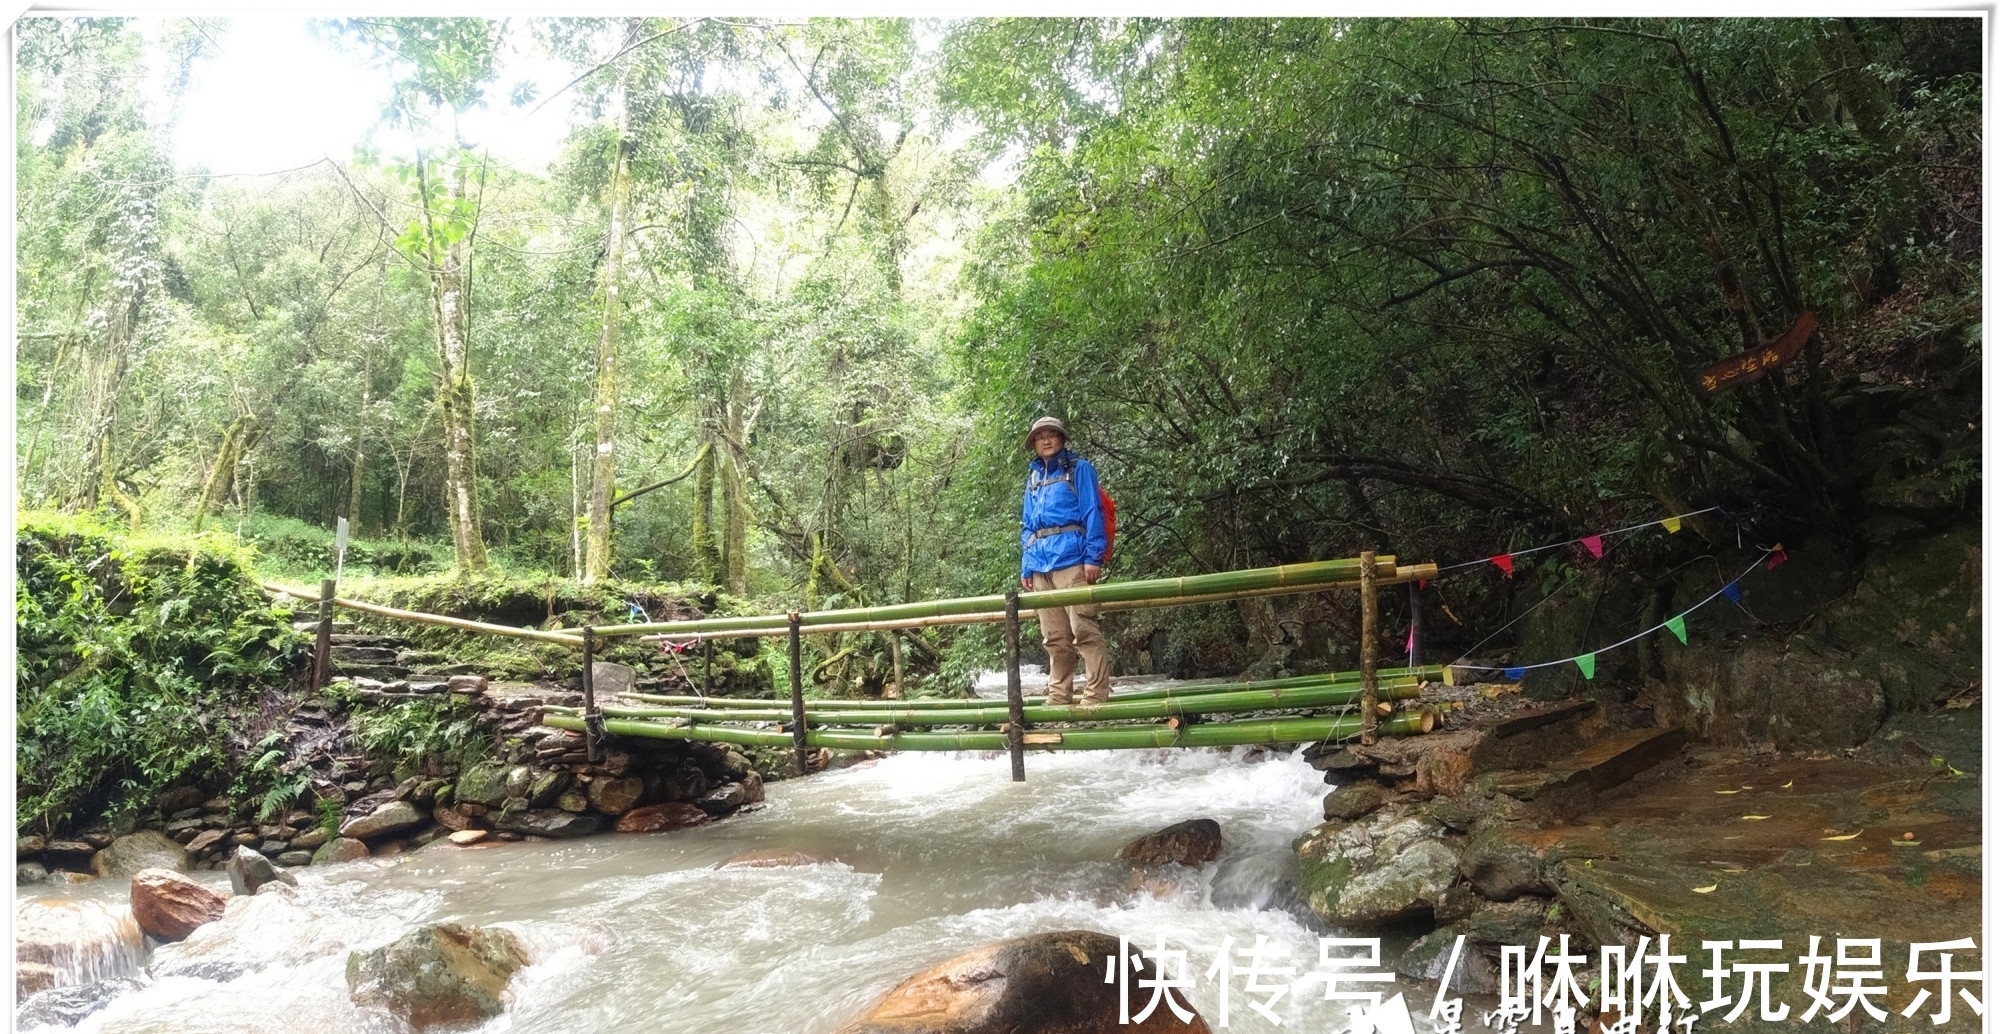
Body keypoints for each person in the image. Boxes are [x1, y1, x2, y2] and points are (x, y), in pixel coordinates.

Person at [1019, 416, 1110, 706]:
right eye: (1040, 436)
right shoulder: (1033, 479)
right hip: (1042, 565)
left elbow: (1092, 512)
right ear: (1034, 444)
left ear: (1061, 439)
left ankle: (1096, 695)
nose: (1046, 440)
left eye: (1052, 435)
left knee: (1084, 629)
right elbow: (1027, 526)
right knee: (1054, 637)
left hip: (1074, 560)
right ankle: (1059, 695)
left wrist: (1094, 557)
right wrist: (1027, 565)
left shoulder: (1080, 470)